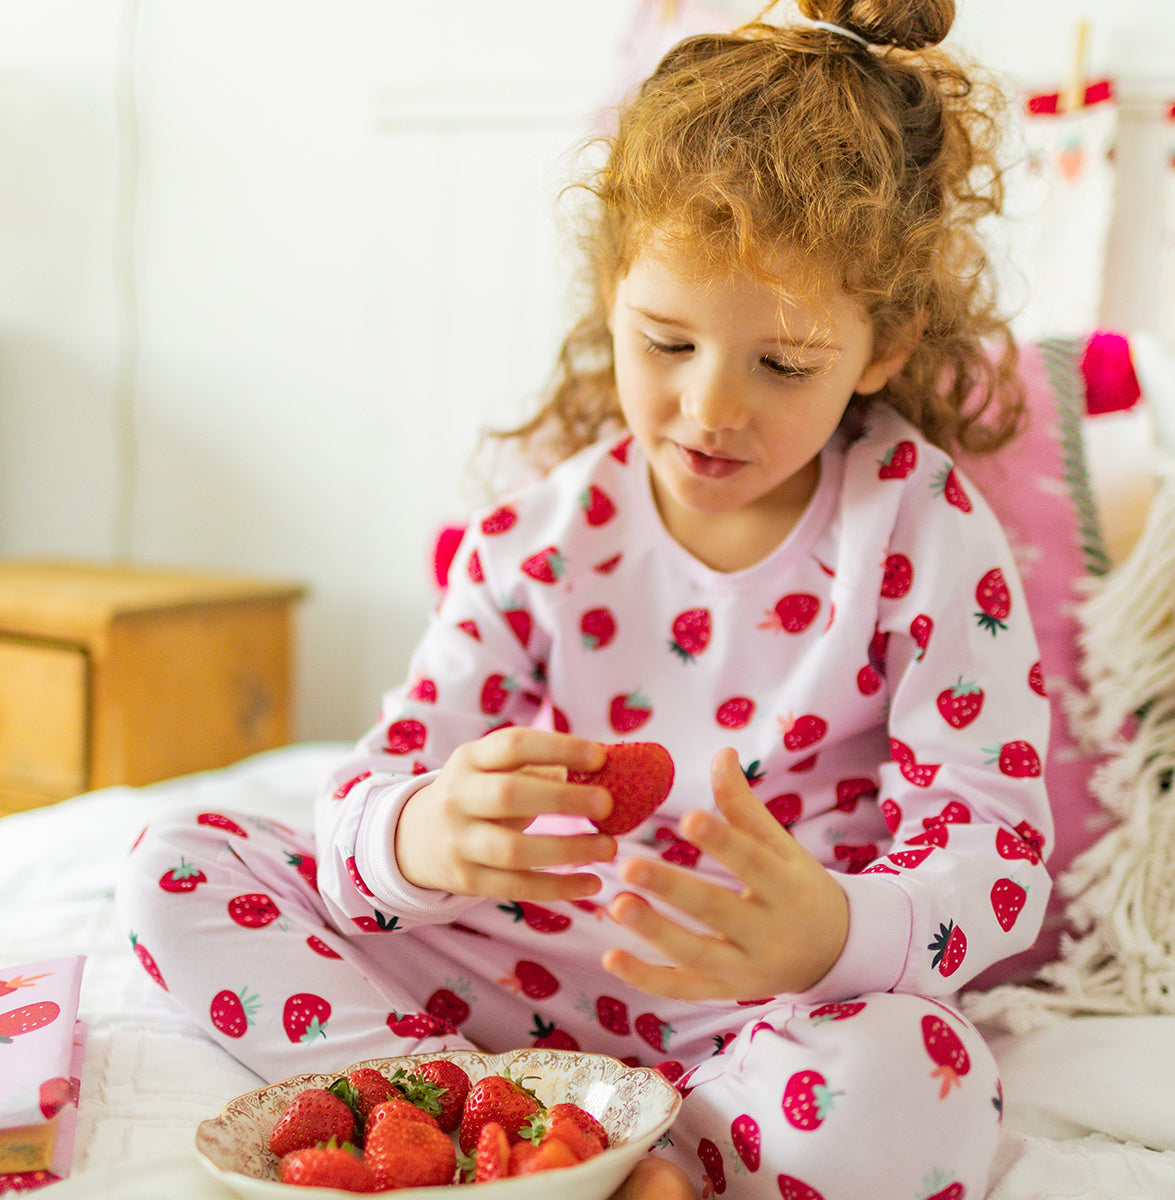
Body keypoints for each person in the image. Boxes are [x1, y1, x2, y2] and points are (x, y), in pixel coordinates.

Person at [118, 2, 1053, 1196]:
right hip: (517, 978)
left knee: (922, 1081)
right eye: (666, 342)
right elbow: (376, 783)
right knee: (173, 860)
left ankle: (631, 1161)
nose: (712, 407)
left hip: (764, 1012)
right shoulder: (538, 540)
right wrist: (420, 835)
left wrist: (830, 932)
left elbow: (996, 844)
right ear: (610, 292)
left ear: (881, 347)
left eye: (782, 364)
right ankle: (504, 1132)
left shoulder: (923, 532)